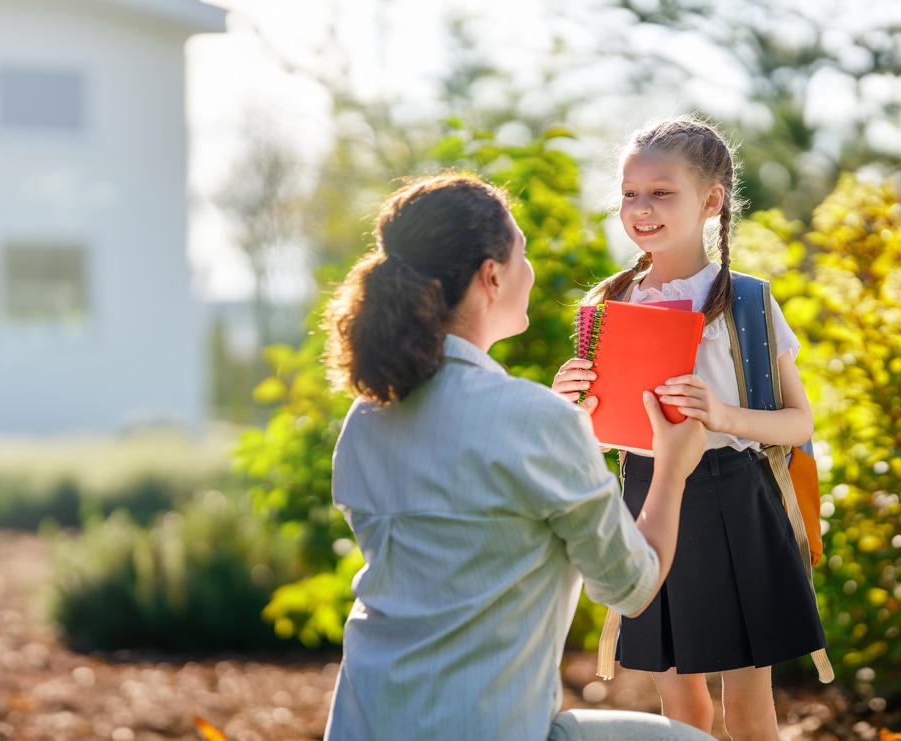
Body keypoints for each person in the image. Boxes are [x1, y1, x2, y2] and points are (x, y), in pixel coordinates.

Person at [320, 172, 714, 741]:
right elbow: (632, 586)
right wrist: (673, 468)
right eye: (522, 254)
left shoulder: (366, 416)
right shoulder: (537, 421)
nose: (529, 271)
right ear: (492, 276)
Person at [551, 116, 827, 740]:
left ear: (711, 201)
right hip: (649, 499)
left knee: (750, 714)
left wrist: (720, 415)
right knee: (685, 711)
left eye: (661, 191)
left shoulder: (749, 301)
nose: (641, 208)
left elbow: (798, 421)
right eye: (629, 193)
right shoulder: (608, 301)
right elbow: (593, 434)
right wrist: (566, 402)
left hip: (737, 497)